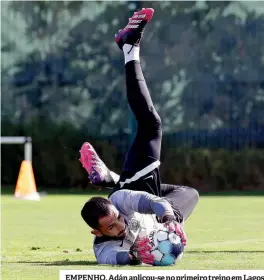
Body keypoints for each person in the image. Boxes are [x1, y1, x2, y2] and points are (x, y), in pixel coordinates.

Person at [79, 8, 199, 265]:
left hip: (138, 188)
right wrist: (135, 255)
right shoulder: (102, 249)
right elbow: (116, 257)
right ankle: (112, 178)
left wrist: (167, 219)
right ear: (96, 233)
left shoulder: (120, 202)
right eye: (110, 227)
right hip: (143, 200)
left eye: (116, 219)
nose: (119, 226)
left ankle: (129, 47)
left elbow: (145, 199)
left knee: (151, 124)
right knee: (190, 193)